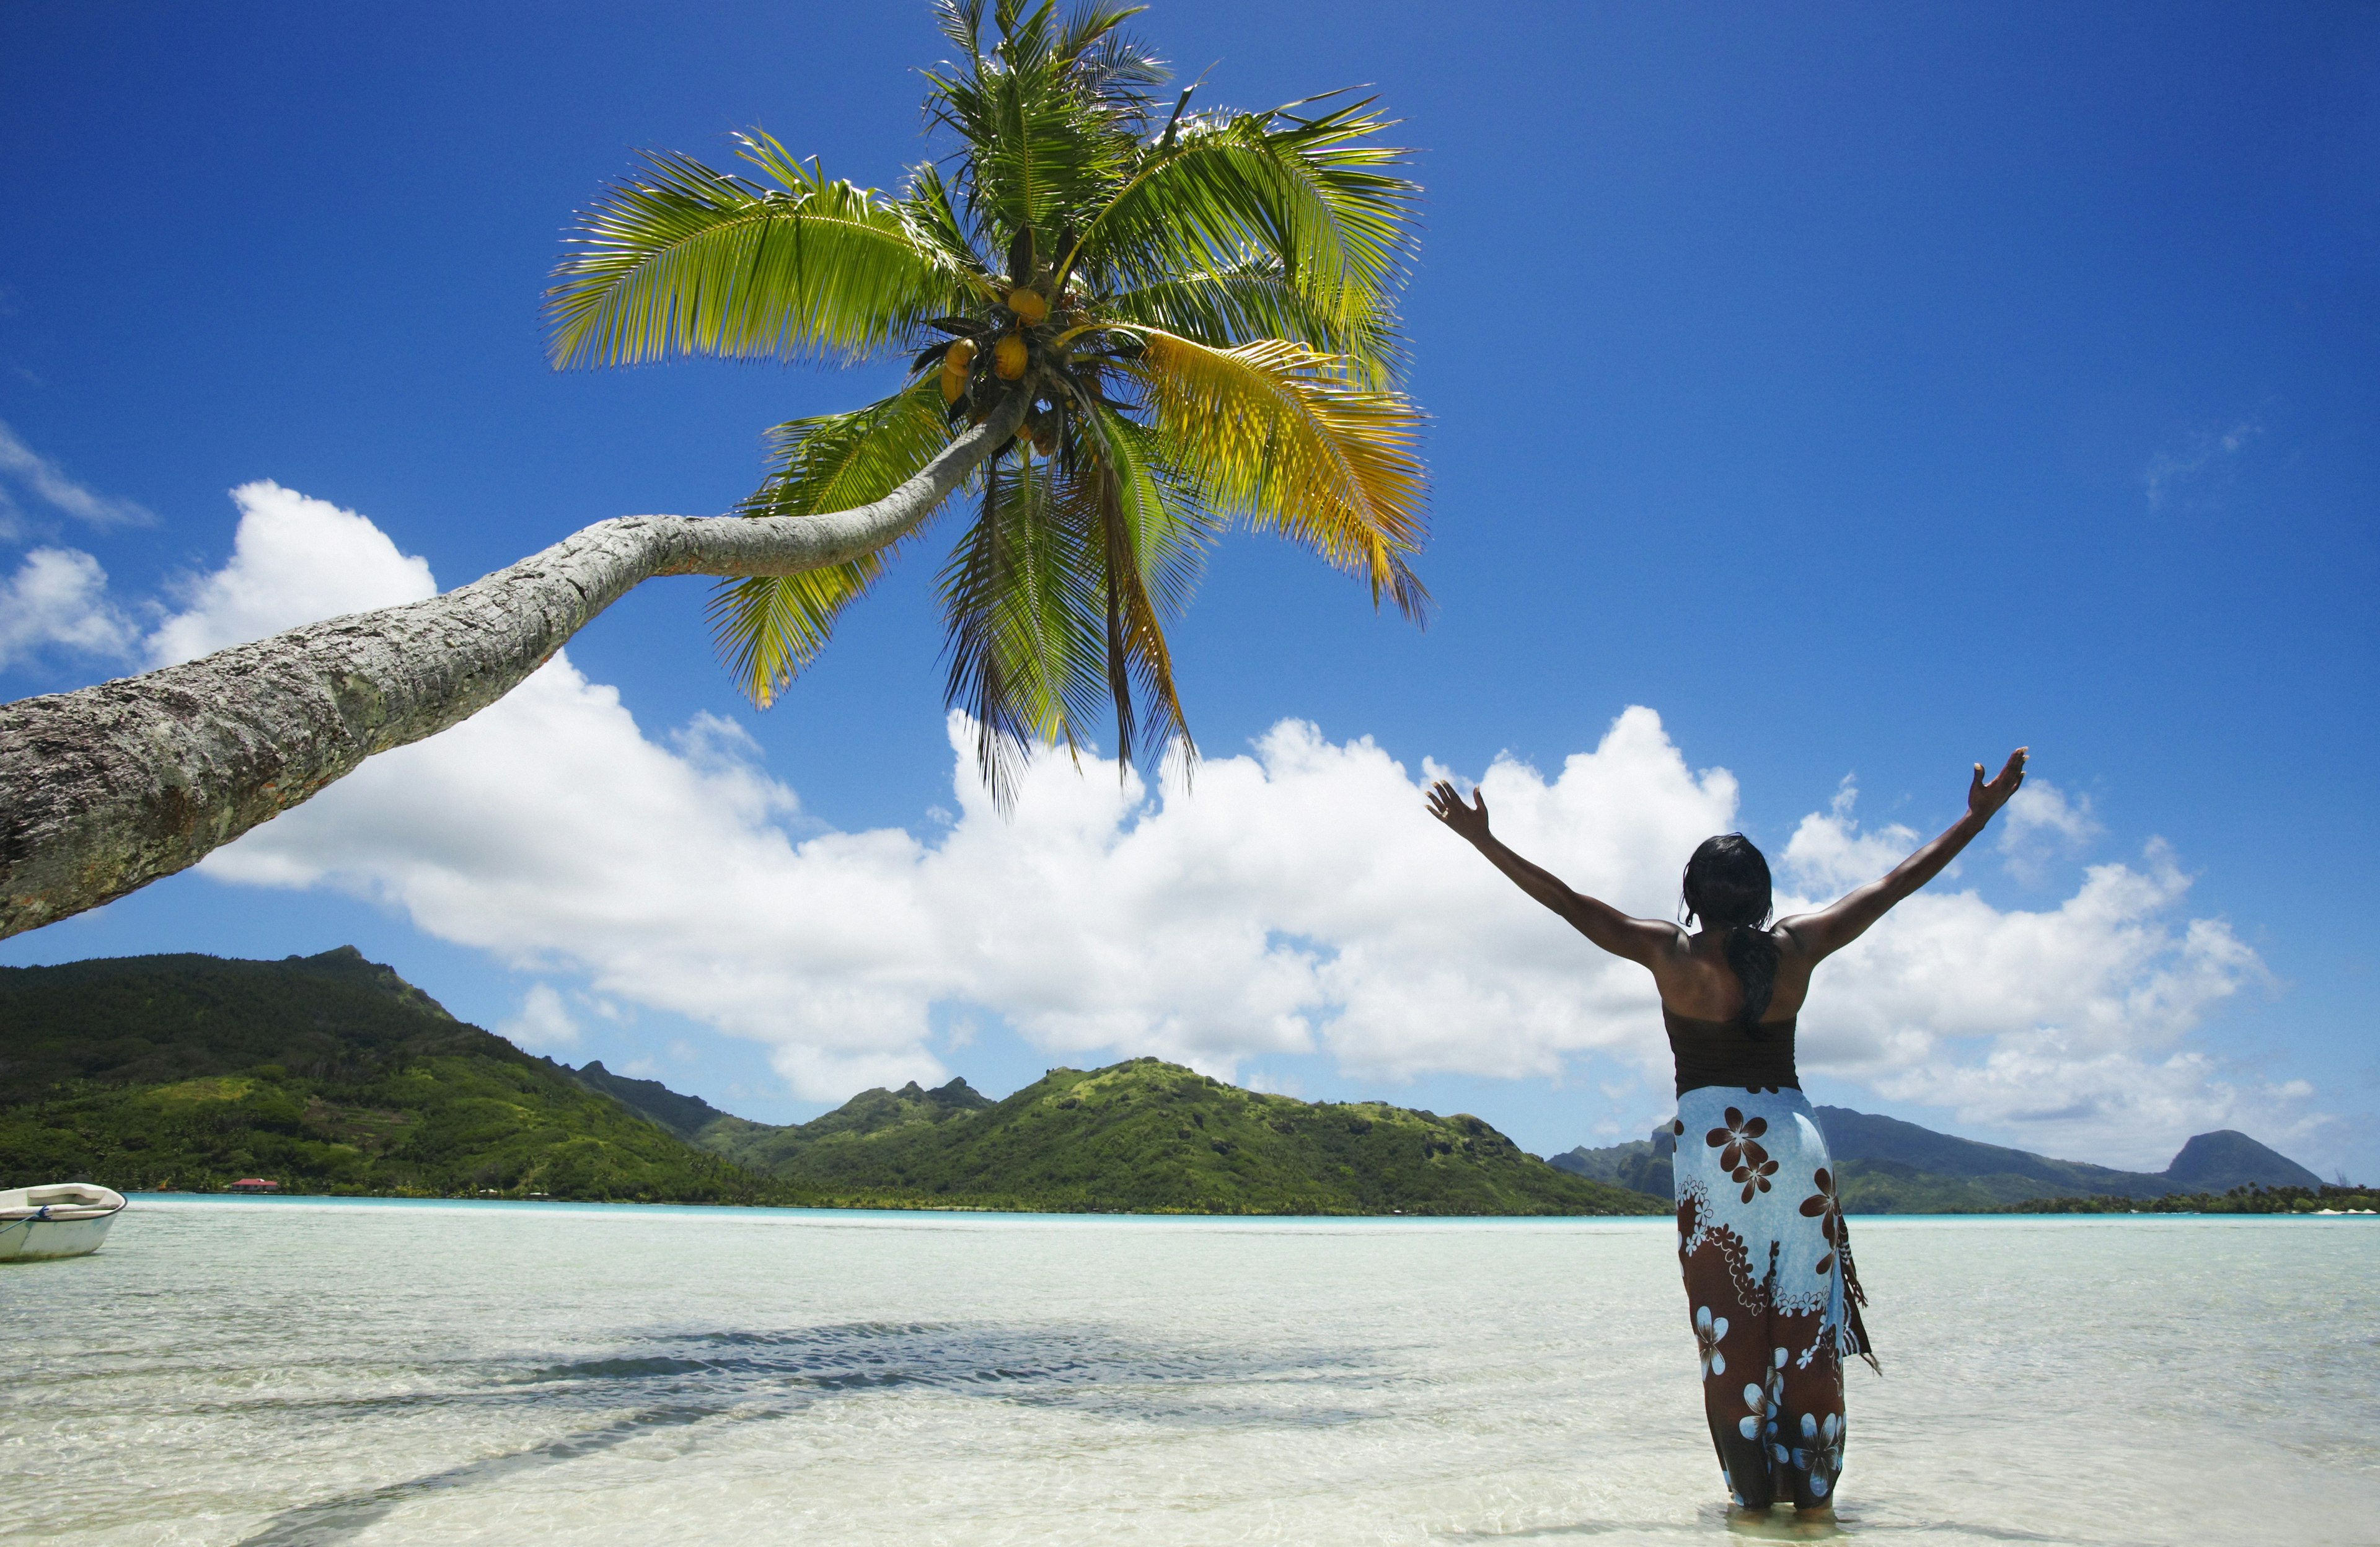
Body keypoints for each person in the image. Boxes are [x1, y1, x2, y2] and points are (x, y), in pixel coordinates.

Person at [1427, 748, 2029, 1525]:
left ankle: (1751, 1510)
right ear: (1763, 895)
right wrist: (1975, 821)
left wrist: (1484, 842)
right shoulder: (1798, 947)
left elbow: (1568, 902)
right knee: (1806, 1326)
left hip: (1716, 1157)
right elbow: (1894, 885)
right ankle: (1815, 1513)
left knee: (1729, 1332)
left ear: (1692, 895)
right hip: (1795, 1146)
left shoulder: (1667, 951)